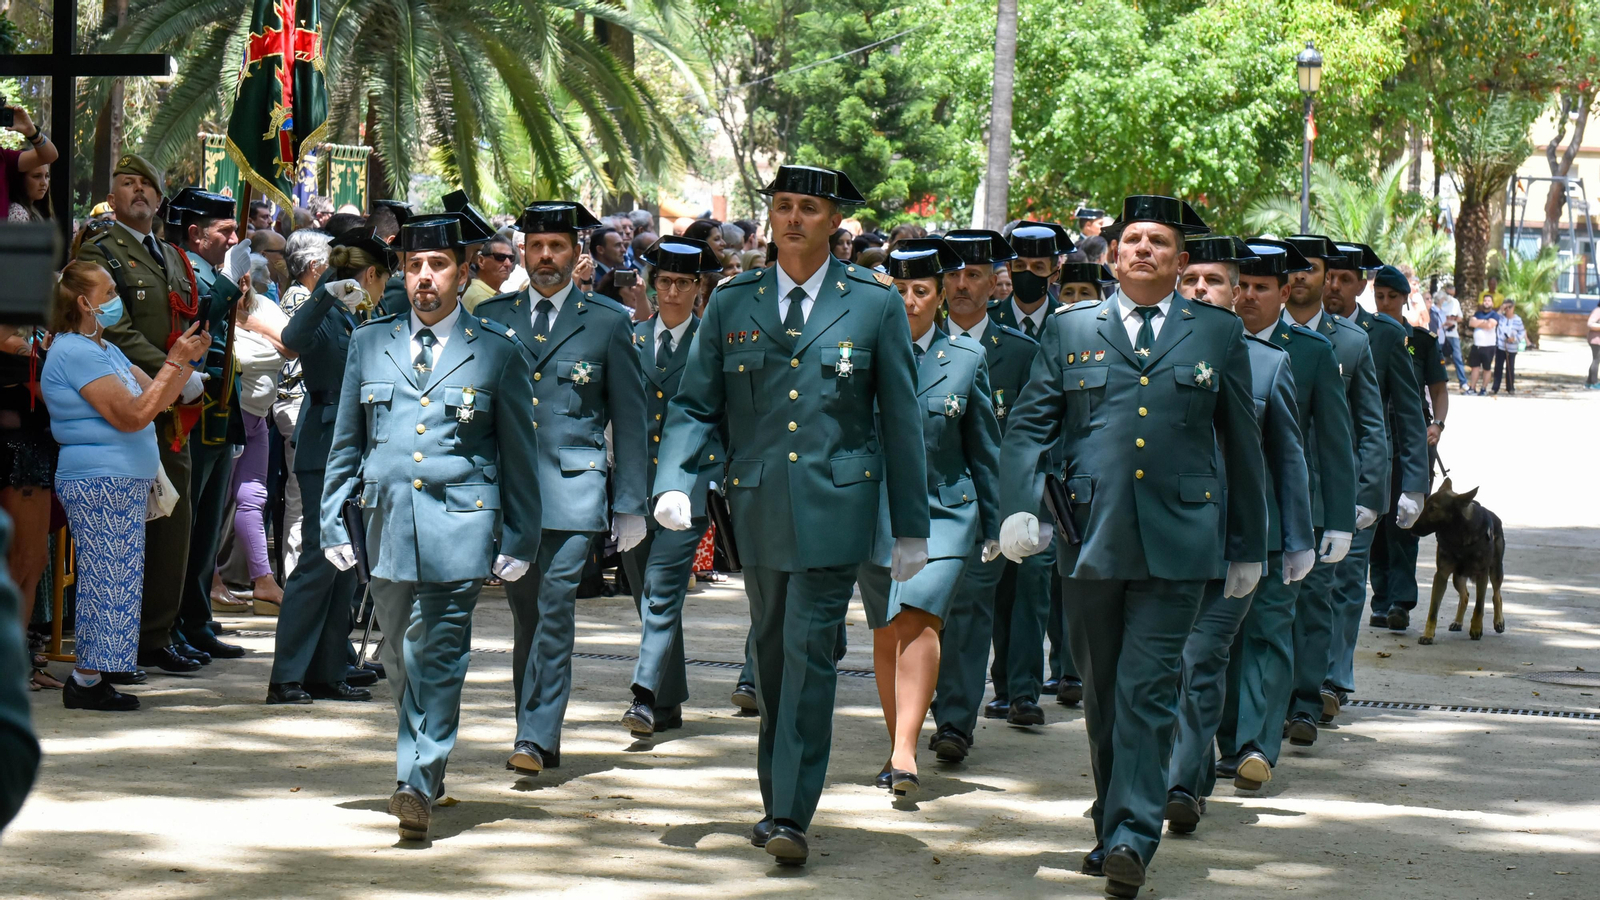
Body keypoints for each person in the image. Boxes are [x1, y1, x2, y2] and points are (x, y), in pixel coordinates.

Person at [653, 164, 930, 866]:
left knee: (809, 652)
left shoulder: (872, 303)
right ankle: (776, 795)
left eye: (809, 207)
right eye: (783, 206)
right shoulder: (734, 301)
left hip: (838, 506)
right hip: (759, 505)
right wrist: (676, 476)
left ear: (835, 220)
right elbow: (694, 403)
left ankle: (790, 812)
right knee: (772, 655)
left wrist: (912, 525)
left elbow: (900, 416)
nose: (794, 219)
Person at [997, 195, 1266, 899]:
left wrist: (1250, 546)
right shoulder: (1069, 328)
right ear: (1112, 256)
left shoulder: (1216, 332)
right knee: (1103, 696)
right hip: (1090, 538)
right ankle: (1113, 818)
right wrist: (1018, 510)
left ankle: (1131, 837)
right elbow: (1029, 427)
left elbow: (1243, 444)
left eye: (1158, 242)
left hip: (1181, 540)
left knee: (1148, 690)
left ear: (1180, 262)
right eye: (1132, 240)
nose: (1143, 249)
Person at [319, 213, 539, 840]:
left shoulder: (496, 351)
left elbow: (518, 455)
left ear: (463, 272)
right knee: (398, 653)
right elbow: (346, 443)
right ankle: (426, 763)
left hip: (460, 526)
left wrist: (521, 537)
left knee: (438, 652)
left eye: (438, 265)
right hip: (385, 523)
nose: (424, 277)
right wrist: (332, 523)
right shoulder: (370, 342)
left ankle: (415, 779)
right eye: (414, 265)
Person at [476, 201, 649, 777]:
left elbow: (628, 416)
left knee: (554, 611)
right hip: (510, 493)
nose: (545, 257)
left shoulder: (606, 320)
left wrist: (629, 503)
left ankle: (535, 734)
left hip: (575, 491)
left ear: (577, 252)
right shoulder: (496, 316)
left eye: (556, 246)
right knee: (526, 615)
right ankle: (533, 723)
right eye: (535, 246)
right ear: (522, 252)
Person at [1166, 237, 1316, 835]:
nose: (1201, 290)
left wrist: (1299, 538)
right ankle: (1190, 774)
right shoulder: (1146, 353)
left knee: (1201, 658)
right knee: (1162, 668)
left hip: (1234, 544)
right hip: (1161, 543)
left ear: (1234, 294)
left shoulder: (1268, 363)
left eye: (1214, 281)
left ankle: (1178, 784)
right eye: (1191, 280)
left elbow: (1288, 458)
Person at [857, 238, 1000, 796]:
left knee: (918, 616)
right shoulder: (861, 356)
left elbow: (984, 448)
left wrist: (994, 521)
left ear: (941, 297)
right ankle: (900, 744)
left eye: (922, 291)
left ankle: (904, 751)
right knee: (887, 629)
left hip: (945, 510)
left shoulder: (966, 359)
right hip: (875, 511)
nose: (910, 301)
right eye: (900, 290)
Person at [1214, 238, 1354, 797]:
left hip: (1281, 517)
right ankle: (1224, 737)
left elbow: (1333, 443)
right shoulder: (1206, 340)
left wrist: (1338, 519)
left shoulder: (1312, 352)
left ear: (1284, 291)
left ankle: (1254, 746)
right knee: (1222, 634)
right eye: (1241, 286)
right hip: (1216, 517)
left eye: (1260, 288)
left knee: (1270, 629)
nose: (1247, 296)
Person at [43, 261, 210, 710]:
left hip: (120, 480)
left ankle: (93, 676)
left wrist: (186, 360)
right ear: (83, 302)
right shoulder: (75, 351)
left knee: (119, 577)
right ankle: (87, 678)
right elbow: (132, 414)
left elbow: (158, 397)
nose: (117, 297)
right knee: (106, 578)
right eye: (109, 290)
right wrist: (174, 362)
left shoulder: (105, 349)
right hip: (99, 479)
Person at [74, 155, 216, 674]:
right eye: (125, 184)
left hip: (171, 407)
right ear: (112, 199)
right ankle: (126, 640)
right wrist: (171, 376)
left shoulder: (174, 256)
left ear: (159, 198)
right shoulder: (100, 252)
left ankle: (158, 631)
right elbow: (117, 329)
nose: (136, 191)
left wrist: (191, 367)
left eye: (144, 185)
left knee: (173, 522)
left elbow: (187, 317)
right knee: (130, 528)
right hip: (130, 397)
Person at [267, 228, 394, 705]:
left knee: (346, 558)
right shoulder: (327, 311)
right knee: (320, 560)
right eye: (383, 279)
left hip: (356, 445)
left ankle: (327, 668)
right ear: (370, 274)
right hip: (323, 445)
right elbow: (291, 338)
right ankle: (286, 676)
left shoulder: (358, 315)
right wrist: (324, 293)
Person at [617, 236, 725, 738]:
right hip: (634, 486)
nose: (674, 292)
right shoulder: (629, 337)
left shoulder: (714, 341)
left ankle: (641, 694)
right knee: (648, 595)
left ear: (699, 287)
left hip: (688, 484)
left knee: (662, 588)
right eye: (665, 282)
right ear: (651, 285)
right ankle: (667, 701)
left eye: (684, 283)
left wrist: (717, 473)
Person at [1320, 242, 1426, 727]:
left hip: (1361, 478)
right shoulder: (1291, 329)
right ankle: (1303, 676)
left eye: (1345, 279)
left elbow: (1405, 411)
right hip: (1303, 478)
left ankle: (1334, 679)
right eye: (1329, 277)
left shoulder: (1383, 334)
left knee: (1345, 582)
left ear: (1362, 285)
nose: (1334, 286)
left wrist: (1413, 486)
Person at [985, 221, 1073, 729]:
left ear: (1055, 270)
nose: (1026, 277)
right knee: (998, 586)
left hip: (1049, 479)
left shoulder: (1074, 324)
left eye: (1037, 268)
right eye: (1018, 267)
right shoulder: (991, 321)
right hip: (994, 476)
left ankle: (1023, 691)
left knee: (1035, 586)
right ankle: (1004, 683)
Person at [165, 189, 254, 664]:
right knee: (188, 527)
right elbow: (206, 313)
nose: (234, 238)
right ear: (196, 235)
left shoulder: (211, 273)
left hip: (219, 409)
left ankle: (195, 620)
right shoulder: (185, 270)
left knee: (206, 533)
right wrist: (229, 284)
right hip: (192, 413)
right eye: (225, 231)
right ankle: (174, 621)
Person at [1368, 265, 1449, 629]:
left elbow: (1438, 390)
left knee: (1404, 523)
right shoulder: (1363, 335)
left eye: (1392, 297)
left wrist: (1438, 424)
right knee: (1374, 523)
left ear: (1404, 299)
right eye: (1380, 296)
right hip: (1373, 440)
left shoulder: (1422, 341)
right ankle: (1381, 599)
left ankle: (1401, 601)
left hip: (1410, 443)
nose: (1385, 303)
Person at [230, 267, 296, 613]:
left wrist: (255, 327)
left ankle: (263, 582)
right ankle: (209, 583)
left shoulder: (263, 308)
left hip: (258, 419)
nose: (242, 284)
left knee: (253, 499)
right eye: (234, 277)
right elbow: (235, 362)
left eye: (245, 277)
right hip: (229, 417)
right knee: (217, 507)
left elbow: (291, 346)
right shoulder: (218, 310)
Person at [270, 229, 333, 581]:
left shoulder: (306, 295)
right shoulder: (301, 300)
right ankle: (295, 577)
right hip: (296, 405)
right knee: (300, 498)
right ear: (314, 265)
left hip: (300, 405)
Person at [0, 101, 58, 216]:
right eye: (37, 176)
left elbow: (50, 155)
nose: (44, 182)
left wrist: (32, 132)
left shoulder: (4, 157)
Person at [462, 235, 518, 311]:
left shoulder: (490, 293)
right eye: (500, 257)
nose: (508, 263)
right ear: (481, 261)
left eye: (511, 258)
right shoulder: (478, 297)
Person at [1433, 282, 1467, 388]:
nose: (1449, 296)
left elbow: (1460, 317)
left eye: (1452, 294)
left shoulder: (1455, 302)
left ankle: (1463, 382)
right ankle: (1439, 381)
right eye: (1448, 293)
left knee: (1457, 358)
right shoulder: (1439, 304)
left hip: (1453, 333)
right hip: (1441, 334)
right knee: (1439, 358)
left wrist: (1453, 318)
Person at [1491, 299, 1525, 395]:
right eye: (1506, 307)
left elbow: (1522, 332)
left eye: (1510, 307)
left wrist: (1515, 339)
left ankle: (1510, 387)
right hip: (1501, 346)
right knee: (1498, 367)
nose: (1508, 309)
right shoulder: (1500, 317)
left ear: (1513, 308)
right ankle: (1495, 388)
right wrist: (1501, 309)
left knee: (1510, 367)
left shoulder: (1517, 320)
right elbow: (1494, 318)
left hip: (1512, 347)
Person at [1467, 294, 1499, 395]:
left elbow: (1490, 325)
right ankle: (1472, 388)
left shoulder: (1494, 315)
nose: (1486, 302)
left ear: (1492, 303)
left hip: (1488, 346)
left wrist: (1478, 323)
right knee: (1475, 367)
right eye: (1485, 300)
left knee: (1487, 368)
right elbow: (1471, 323)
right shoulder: (1477, 313)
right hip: (1477, 345)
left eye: (1489, 301)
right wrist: (1484, 322)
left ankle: (1483, 389)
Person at [1587, 300, 1600, 389]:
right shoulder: (1598, 311)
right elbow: (1590, 324)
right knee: (1596, 360)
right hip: (1596, 340)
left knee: (1596, 360)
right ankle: (1594, 382)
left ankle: (1589, 382)